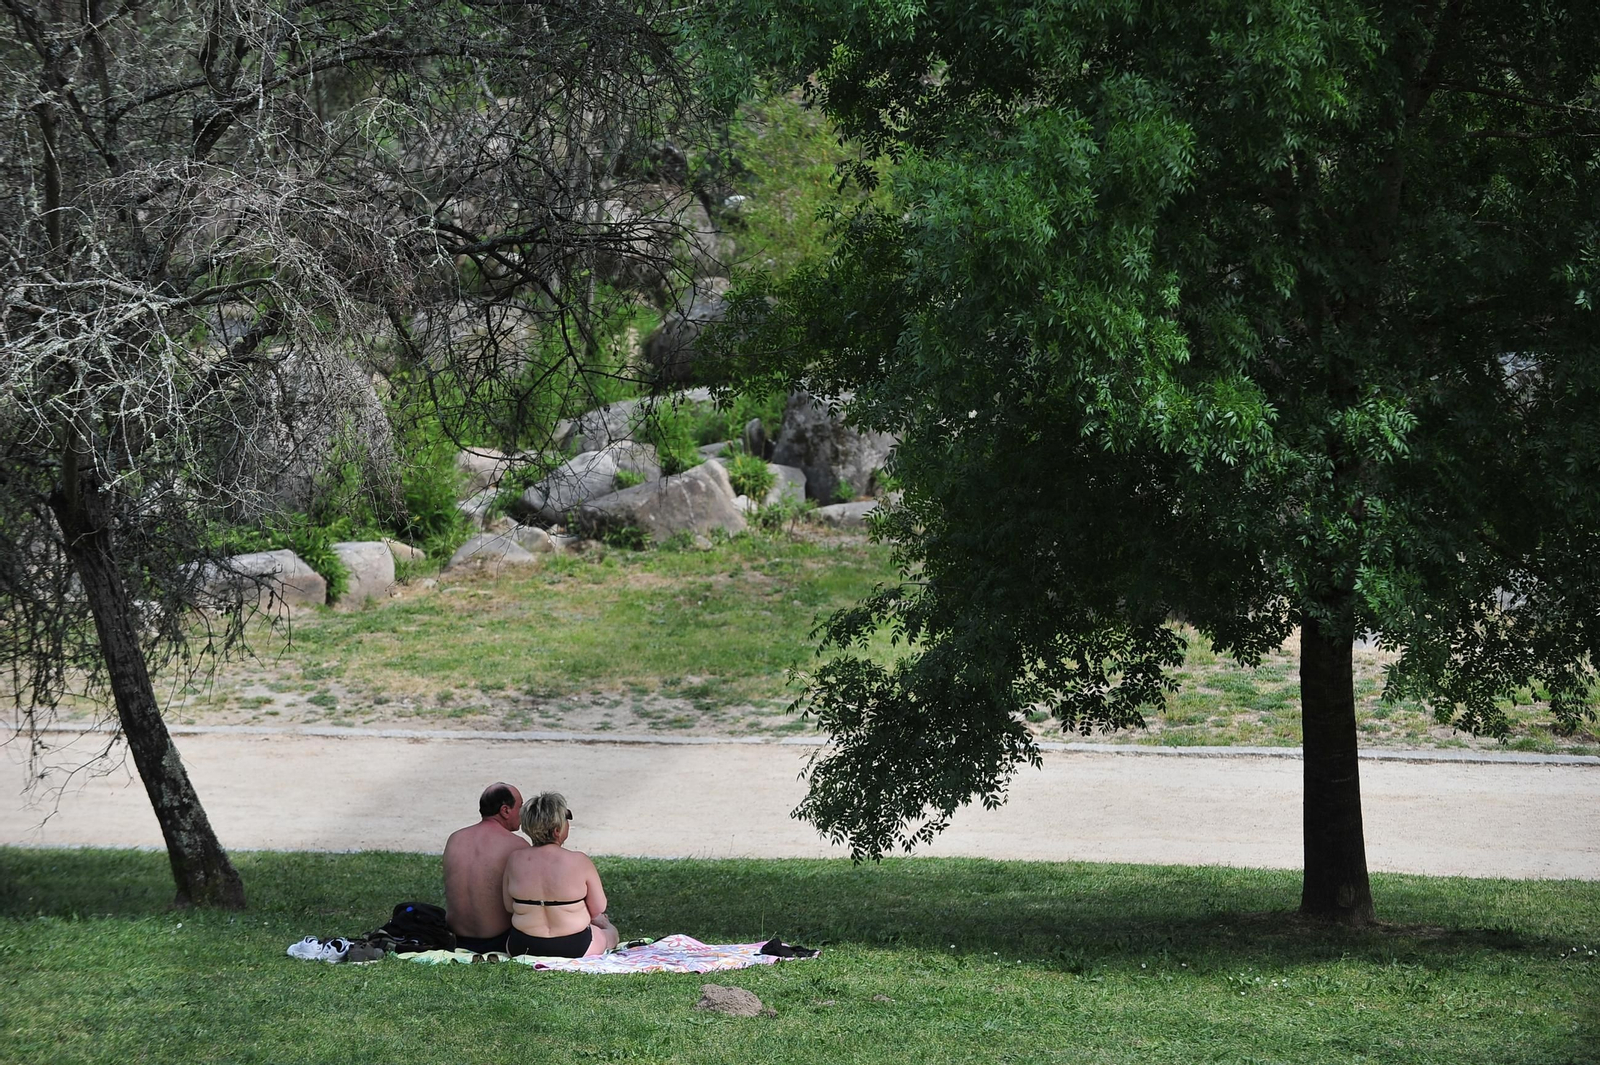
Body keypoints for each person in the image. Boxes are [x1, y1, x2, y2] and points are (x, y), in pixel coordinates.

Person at [502, 792, 619, 958]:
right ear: (557, 830)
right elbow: (598, 908)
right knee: (610, 932)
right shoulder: (579, 861)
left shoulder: (514, 859)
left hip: (522, 945)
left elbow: (508, 906)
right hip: (575, 945)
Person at [442, 782, 529, 953]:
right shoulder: (517, 845)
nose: (523, 812)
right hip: (499, 940)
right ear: (505, 810)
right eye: (521, 806)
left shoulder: (455, 839)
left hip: (456, 938)